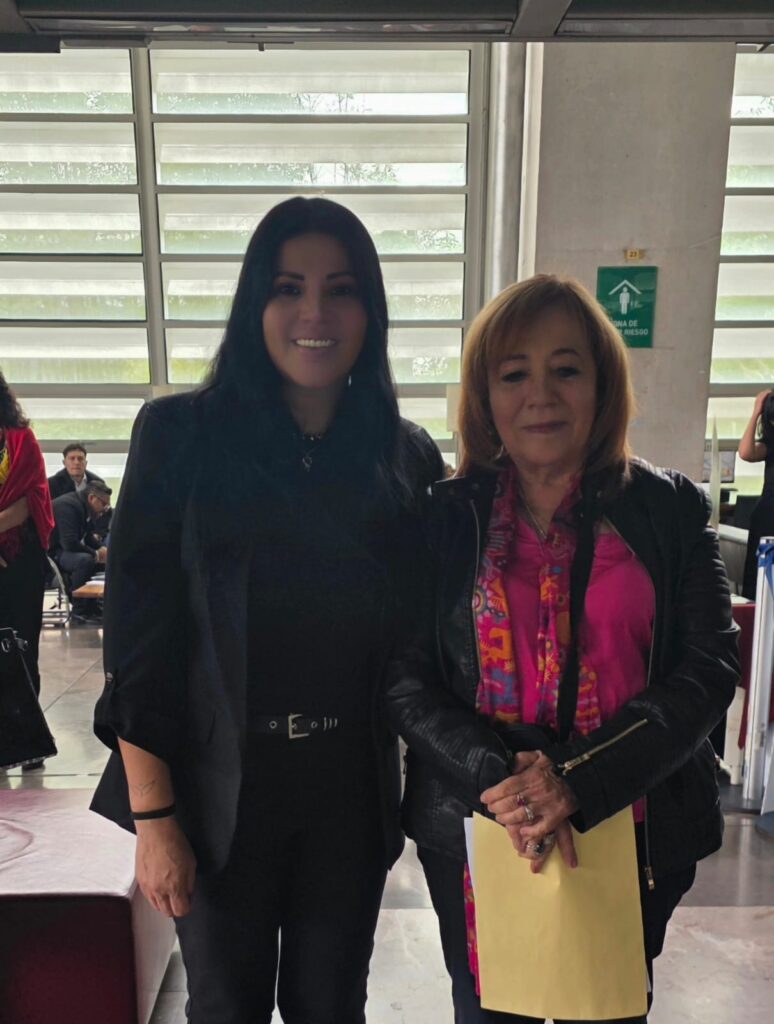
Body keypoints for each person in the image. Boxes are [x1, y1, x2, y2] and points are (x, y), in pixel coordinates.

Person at [90, 197, 442, 1024]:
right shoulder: (180, 436)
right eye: (289, 288)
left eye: (341, 290)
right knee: (225, 1007)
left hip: (347, 792)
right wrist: (155, 819)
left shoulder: (403, 456)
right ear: (256, 304)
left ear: (370, 312)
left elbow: (426, 647)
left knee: (332, 1007)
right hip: (217, 791)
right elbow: (139, 645)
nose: (315, 313)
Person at [386, 274, 740, 1024]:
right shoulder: (443, 519)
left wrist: (577, 778)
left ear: (602, 385)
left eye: (566, 369)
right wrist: (505, 784)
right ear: (485, 397)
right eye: (514, 373)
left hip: (634, 826)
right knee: (487, 1012)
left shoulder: (670, 508)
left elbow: (709, 668)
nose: (540, 395)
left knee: (607, 1012)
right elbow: (406, 677)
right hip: (480, 826)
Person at [0, 370, 55, 767]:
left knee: (22, 646)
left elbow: (30, 500)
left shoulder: (22, 440)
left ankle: (29, 740)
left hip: (20, 560)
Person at [50, 479, 111, 620]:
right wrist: (95, 554)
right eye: (103, 503)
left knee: (99, 559)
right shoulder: (67, 506)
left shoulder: (84, 507)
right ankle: (79, 609)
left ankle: (92, 605)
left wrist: (102, 550)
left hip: (65, 549)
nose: (105, 508)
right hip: (53, 552)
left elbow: (87, 536)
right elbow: (69, 543)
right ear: (92, 498)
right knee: (85, 560)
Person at [738, 388, 774, 599]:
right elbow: (745, 452)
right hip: (768, 516)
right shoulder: (770, 444)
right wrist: (755, 413)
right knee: (760, 577)